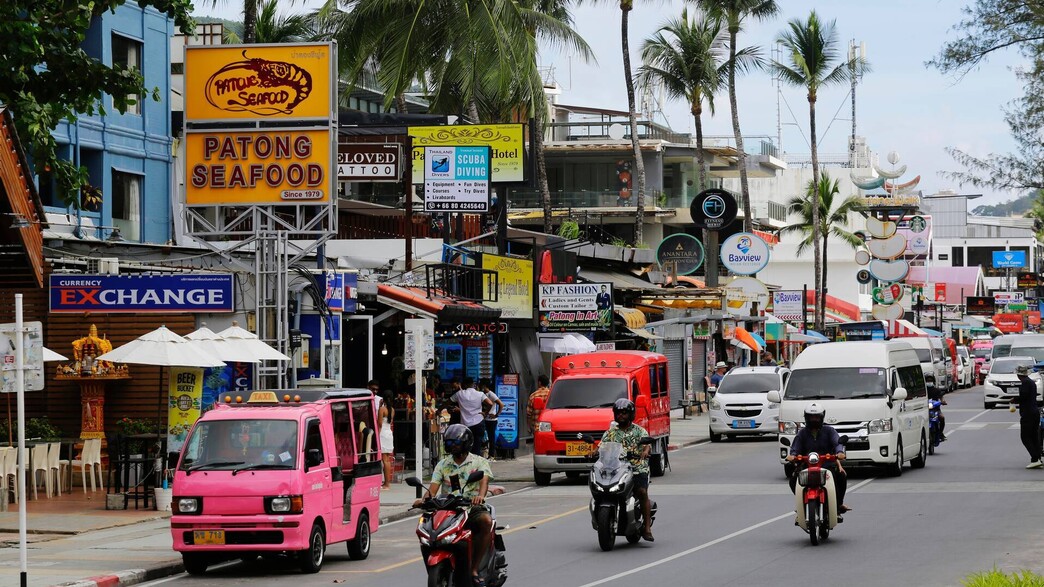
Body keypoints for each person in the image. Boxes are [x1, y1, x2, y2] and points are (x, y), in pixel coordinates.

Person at [413, 424, 494, 585]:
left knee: (486, 521)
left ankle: (474, 568)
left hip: (471, 508)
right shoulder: (442, 465)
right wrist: (423, 500)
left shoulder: (479, 462)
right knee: (426, 529)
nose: (452, 446)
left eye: (455, 442)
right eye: (449, 443)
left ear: (466, 443)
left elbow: (484, 482)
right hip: (448, 509)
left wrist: (480, 496)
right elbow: (432, 490)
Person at [598, 398, 655, 542]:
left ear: (631, 414)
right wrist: (593, 452)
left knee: (642, 492)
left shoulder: (639, 431)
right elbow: (601, 446)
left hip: (637, 467)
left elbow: (647, 444)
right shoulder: (610, 432)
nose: (621, 415)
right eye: (618, 413)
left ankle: (647, 527)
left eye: (624, 413)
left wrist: (645, 451)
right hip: (616, 468)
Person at [786, 404, 850, 515]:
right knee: (793, 480)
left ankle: (838, 504)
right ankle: (802, 503)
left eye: (816, 417)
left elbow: (837, 443)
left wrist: (839, 452)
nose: (814, 419)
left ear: (822, 417)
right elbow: (795, 448)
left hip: (827, 466)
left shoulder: (829, 431)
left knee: (841, 476)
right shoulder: (802, 433)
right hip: (807, 466)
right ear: (806, 417)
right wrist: (792, 455)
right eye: (811, 417)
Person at [452, 376, 494, 454]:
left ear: (464, 385)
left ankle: (468, 460)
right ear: (473, 384)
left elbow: (447, 403)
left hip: (466, 426)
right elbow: (490, 403)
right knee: (477, 447)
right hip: (478, 423)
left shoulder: (459, 394)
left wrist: (439, 411)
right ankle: (476, 460)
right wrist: (485, 413)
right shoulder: (480, 394)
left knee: (466, 447)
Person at [1014, 365, 1042, 468]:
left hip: (1028, 413)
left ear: (1019, 375)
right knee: (1034, 437)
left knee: (1025, 437)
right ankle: (1038, 458)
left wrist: (1014, 400)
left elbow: (1024, 396)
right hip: (1034, 412)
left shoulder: (1025, 383)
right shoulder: (1031, 382)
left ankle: (1035, 458)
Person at [480, 378, 504, 459]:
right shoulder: (483, 394)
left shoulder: (491, 394)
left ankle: (491, 455)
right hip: (484, 419)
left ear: (484, 386)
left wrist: (496, 415)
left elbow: (501, 404)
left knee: (491, 437)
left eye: (480, 385)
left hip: (491, 420)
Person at [377, 389, 396, 488]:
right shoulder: (392, 410)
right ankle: (387, 482)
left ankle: (387, 483)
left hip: (382, 434)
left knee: (384, 460)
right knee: (387, 459)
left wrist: (380, 406)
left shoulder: (382, 409)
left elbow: (379, 424)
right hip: (389, 433)